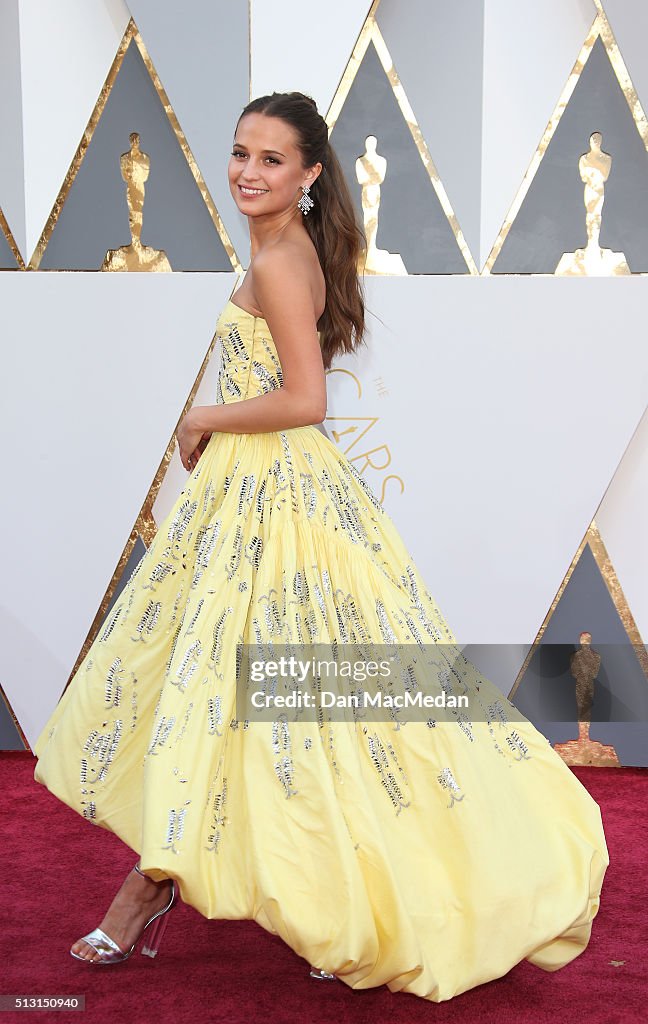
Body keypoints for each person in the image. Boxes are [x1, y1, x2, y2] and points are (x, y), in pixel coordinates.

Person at [33, 91, 609, 1002]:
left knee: (267, 698)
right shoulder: (278, 250)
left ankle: (158, 892)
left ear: (308, 177)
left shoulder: (281, 263)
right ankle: (281, 893)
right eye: (239, 153)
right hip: (256, 495)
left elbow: (306, 401)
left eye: (271, 160)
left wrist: (202, 415)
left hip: (279, 502)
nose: (246, 172)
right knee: (250, 702)